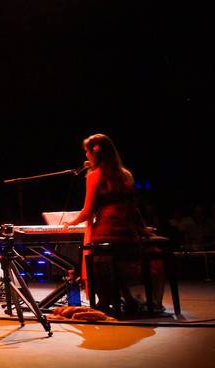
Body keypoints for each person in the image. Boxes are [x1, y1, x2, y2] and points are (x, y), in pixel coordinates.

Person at [62, 134, 163, 313]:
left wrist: (71, 222)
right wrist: (142, 229)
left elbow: (88, 212)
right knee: (117, 259)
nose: (86, 156)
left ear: (96, 153)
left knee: (99, 255)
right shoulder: (126, 175)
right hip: (128, 232)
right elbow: (133, 208)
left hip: (106, 231)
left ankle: (105, 300)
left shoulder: (95, 175)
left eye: (87, 152)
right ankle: (129, 299)